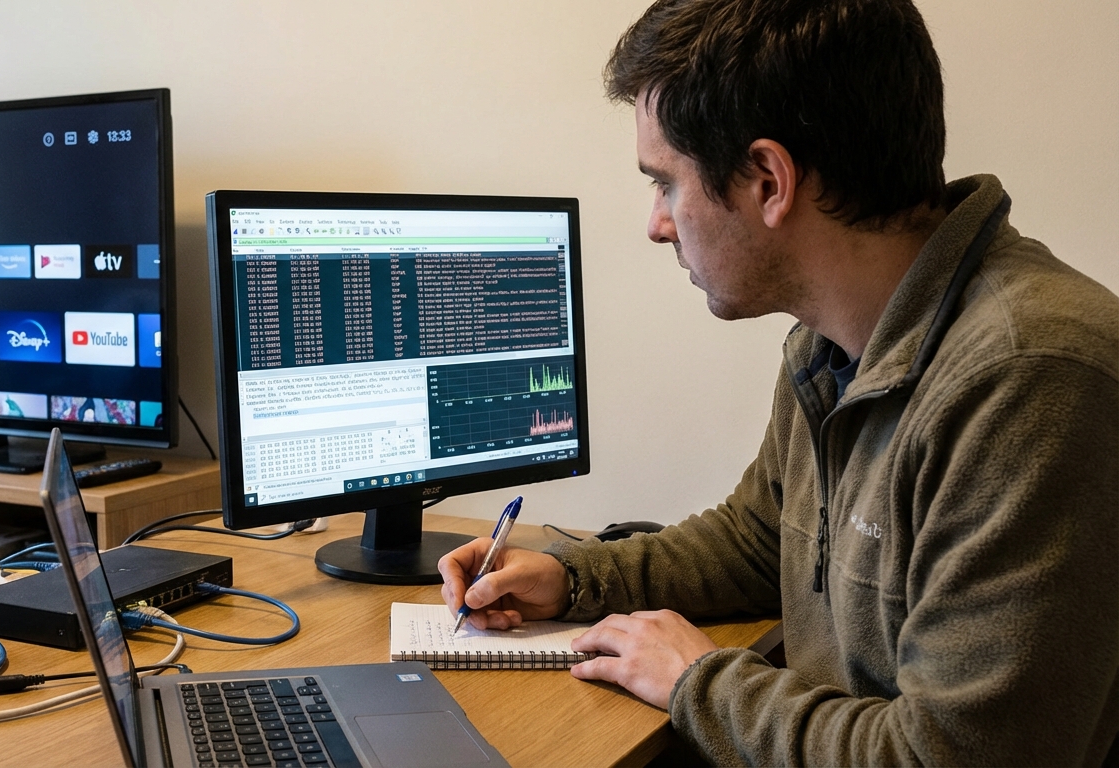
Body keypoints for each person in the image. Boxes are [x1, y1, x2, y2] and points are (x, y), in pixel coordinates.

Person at [438, 0, 1119, 763]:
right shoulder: (832, 341)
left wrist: (699, 681)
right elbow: (764, 541)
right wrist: (571, 580)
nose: (657, 224)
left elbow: (952, 755)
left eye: (665, 183)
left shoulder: (1028, 381)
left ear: (768, 179)